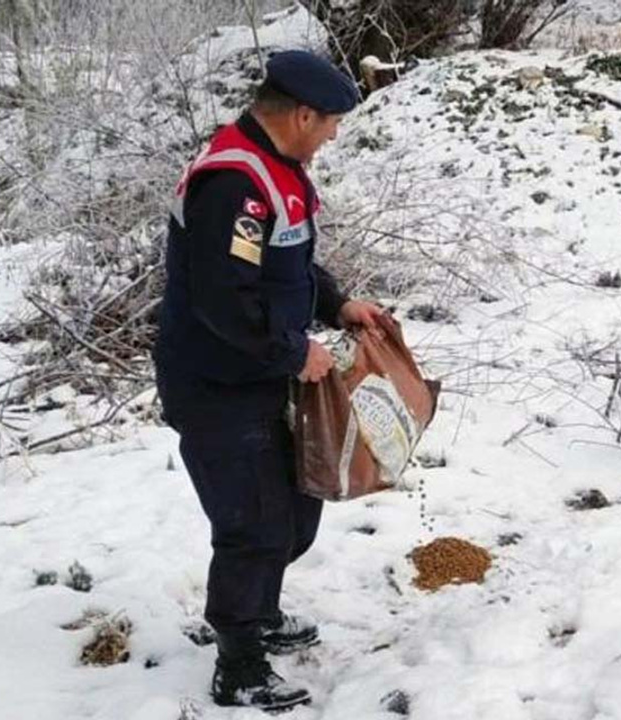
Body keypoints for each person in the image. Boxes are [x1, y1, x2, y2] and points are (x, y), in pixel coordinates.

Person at [154, 49, 388, 711]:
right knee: (254, 525)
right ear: (303, 114)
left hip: (260, 371)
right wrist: (294, 351)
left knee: (295, 511)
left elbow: (288, 267)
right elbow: (223, 299)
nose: (336, 134)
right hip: (217, 383)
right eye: (332, 122)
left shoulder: (279, 169)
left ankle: (258, 609)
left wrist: (336, 304)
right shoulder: (234, 182)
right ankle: (239, 662)